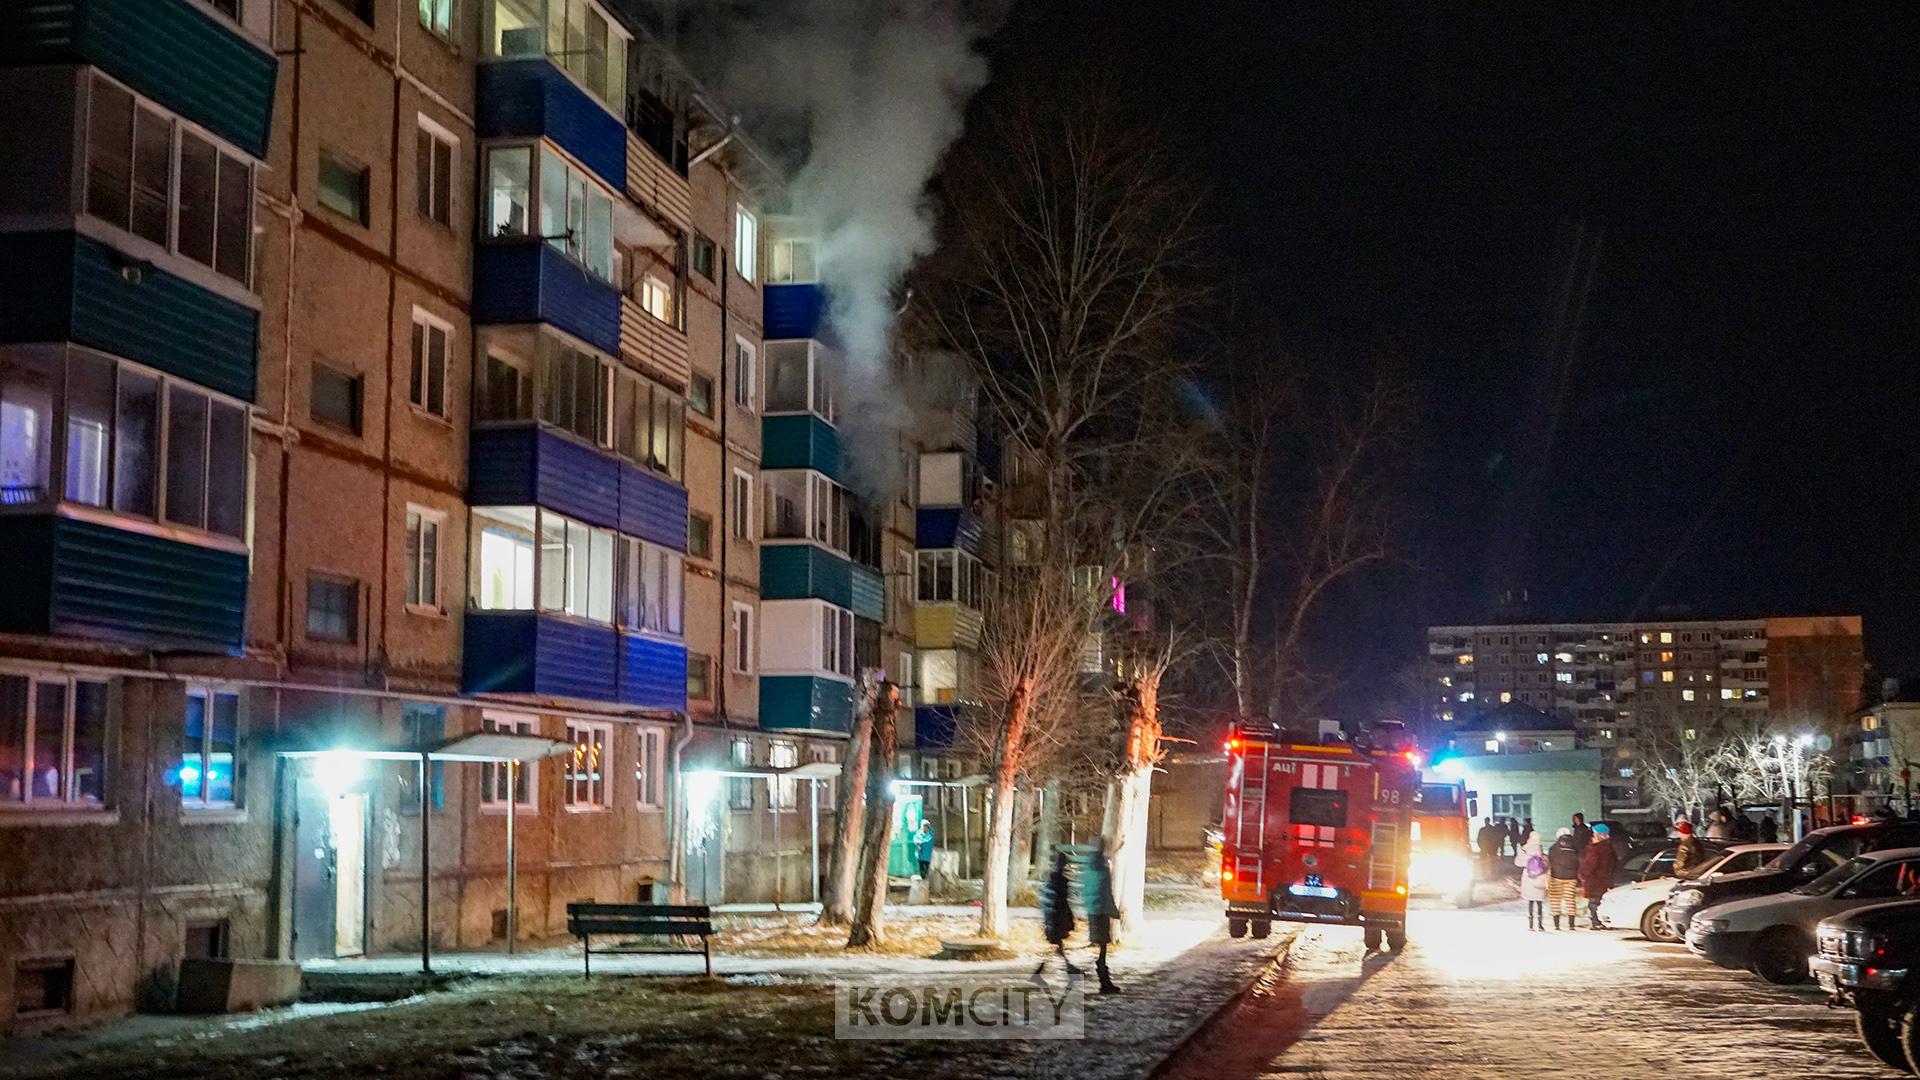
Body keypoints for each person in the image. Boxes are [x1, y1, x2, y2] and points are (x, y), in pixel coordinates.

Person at [1033, 851, 1081, 983]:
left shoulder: (1052, 879)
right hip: (1058, 918)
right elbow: (1062, 901)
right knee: (1057, 946)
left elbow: (1049, 900)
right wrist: (1068, 918)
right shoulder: (1061, 881)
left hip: (1055, 917)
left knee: (1058, 947)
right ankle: (1067, 970)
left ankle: (1069, 970)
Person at [1081, 837, 1122, 994]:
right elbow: (1106, 893)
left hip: (1092, 910)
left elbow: (1086, 889)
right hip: (1102, 911)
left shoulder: (1088, 865)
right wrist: (1114, 911)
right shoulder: (1102, 866)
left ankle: (1103, 979)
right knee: (1102, 947)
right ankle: (1104, 982)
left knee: (1099, 945)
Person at [1580, 823, 1619, 929]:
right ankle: (1600, 921)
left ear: (1599, 836)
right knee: (1600, 901)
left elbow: (1590, 865)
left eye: (1594, 834)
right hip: (1606, 880)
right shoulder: (1610, 849)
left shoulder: (1595, 849)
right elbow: (1615, 864)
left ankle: (1596, 922)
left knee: (1593, 903)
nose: (1592, 837)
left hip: (1595, 881)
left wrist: (1583, 874)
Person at [1546, 827, 1582, 930]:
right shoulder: (1576, 847)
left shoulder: (1553, 848)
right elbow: (1580, 861)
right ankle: (1571, 925)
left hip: (1556, 876)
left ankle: (1556, 925)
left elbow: (1550, 861)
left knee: (1555, 900)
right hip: (1571, 877)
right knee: (1570, 899)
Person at [1516, 830, 1549, 931]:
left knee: (1530, 901)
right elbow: (1546, 863)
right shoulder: (1540, 848)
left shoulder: (1525, 848)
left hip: (1528, 876)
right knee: (1539, 902)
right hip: (1539, 876)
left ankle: (1531, 924)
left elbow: (1518, 862)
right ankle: (1540, 924)